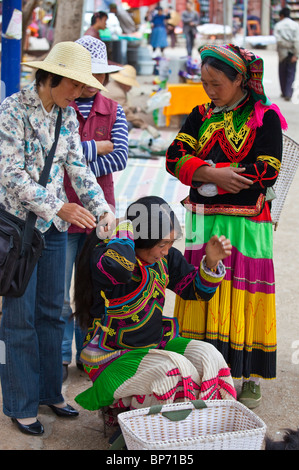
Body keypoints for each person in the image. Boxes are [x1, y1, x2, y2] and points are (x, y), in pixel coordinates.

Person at [0, 41, 115, 436]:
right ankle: (20, 403)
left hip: (51, 229)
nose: (80, 92)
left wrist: (101, 208)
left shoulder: (66, 114)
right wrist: (58, 205)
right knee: (19, 319)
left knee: (54, 312)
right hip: (17, 230)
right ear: (52, 76)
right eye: (75, 84)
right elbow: (11, 175)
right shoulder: (12, 110)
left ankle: (51, 391)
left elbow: (77, 166)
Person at [166, 44, 288, 409]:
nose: (209, 90)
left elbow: (268, 168)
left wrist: (211, 178)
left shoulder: (264, 116)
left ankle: (246, 372)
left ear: (239, 80)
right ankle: (202, 366)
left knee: (242, 290)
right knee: (201, 287)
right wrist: (208, 171)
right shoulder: (200, 113)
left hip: (247, 222)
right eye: (204, 82)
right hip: (204, 219)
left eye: (216, 83)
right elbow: (174, 157)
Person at [74, 196, 236, 422]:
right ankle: (143, 430)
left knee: (209, 356)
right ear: (140, 239)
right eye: (162, 244)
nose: (168, 251)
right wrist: (125, 228)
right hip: (113, 356)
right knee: (172, 372)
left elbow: (195, 291)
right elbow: (120, 269)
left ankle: (206, 424)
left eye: (170, 243)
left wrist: (210, 263)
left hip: (155, 345)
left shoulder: (164, 260)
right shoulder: (107, 256)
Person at [61, 36, 128, 381]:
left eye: (98, 76)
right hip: (58, 213)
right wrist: (93, 148)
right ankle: (59, 356)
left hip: (99, 214)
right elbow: (53, 157)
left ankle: (88, 353)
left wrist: (76, 157)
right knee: (57, 291)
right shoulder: (60, 105)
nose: (92, 83)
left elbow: (119, 156)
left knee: (91, 289)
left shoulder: (114, 110)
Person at [101, 65, 158, 135]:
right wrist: (144, 125)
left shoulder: (113, 85)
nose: (131, 88)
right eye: (130, 85)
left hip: (105, 118)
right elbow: (126, 114)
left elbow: (123, 107)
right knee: (128, 124)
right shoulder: (118, 93)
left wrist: (135, 109)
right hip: (105, 123)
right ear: (125, 83)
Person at [273, 7, 299, 101]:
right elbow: (297, 41)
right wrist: (296, 54)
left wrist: (286, 45)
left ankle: (285, 92)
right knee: (291, 73)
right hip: (293, 52)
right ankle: (288, 93)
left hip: (282, 53)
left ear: (281, 16)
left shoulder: (278, 25)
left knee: (282, 73)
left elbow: (278, 39)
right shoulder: (295, 25)